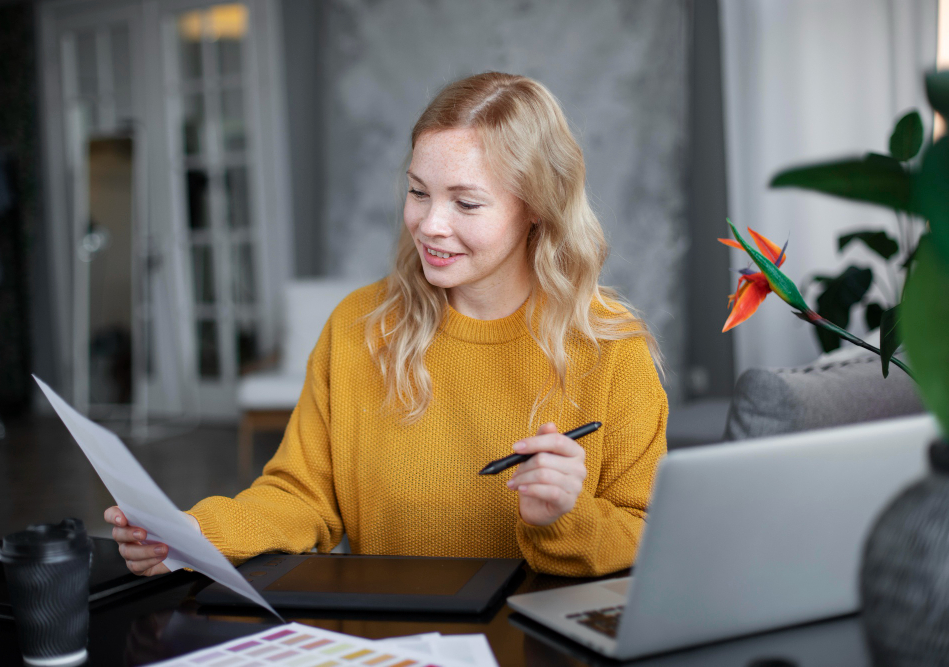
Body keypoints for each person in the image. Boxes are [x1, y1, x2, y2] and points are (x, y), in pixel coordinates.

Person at [105, 71, 668, 578]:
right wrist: (194, 535)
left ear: (538, 208)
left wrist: (566, 517)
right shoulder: (359, 326)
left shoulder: (612, 349)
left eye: (466, 204)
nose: (430, 225)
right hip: (392, 638)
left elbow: (649, 535)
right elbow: (301, 495)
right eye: (419, 192)